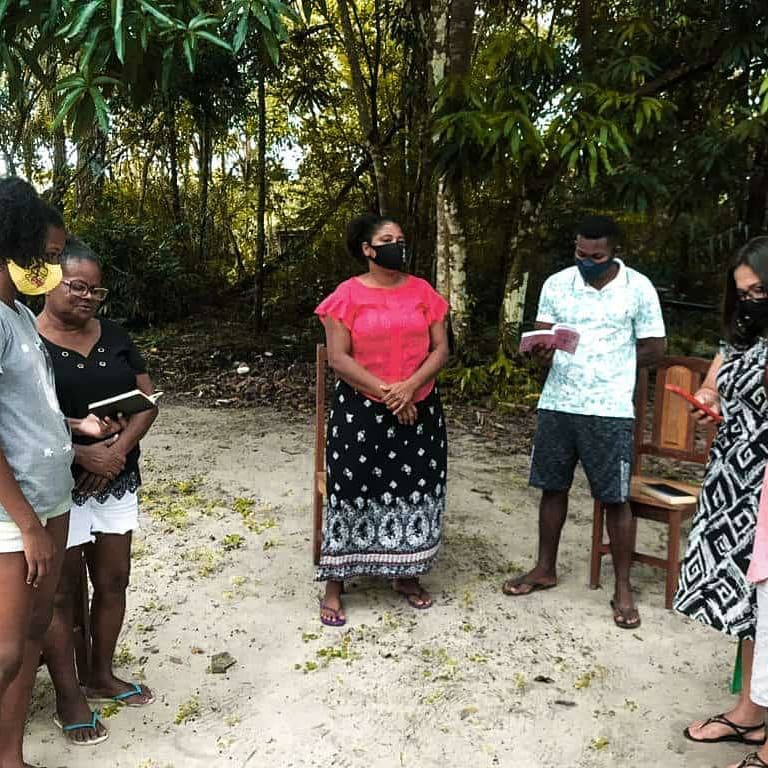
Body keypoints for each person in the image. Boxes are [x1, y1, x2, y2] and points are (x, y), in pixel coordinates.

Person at [0, 177, 119, 768]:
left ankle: (11, 755)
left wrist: (74, 429)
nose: (50, 267)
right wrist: (25, 523)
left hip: (50, 499)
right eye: (46, 256)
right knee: (5, 648)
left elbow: (28, 411)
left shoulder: (17, 315)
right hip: (13, 512)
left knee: (28, 637)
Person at [502, 215, 666, 629]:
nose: (587, 261)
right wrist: (541, 350)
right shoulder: (557, 283)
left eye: (596, 256)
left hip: (609, 408)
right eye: (580, 253)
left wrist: (612, 360)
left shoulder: (638, 288)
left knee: (614, 497)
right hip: (558, 402)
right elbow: (544, 333)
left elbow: (655, 346)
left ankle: (623, 588)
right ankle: (544, 568)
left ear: (613, 253)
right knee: (552, 487)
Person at [37, 236, 157, 745]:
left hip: (114, 477)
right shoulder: (27, 337)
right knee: (61, 594)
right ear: (49, 283)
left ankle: (100, 673)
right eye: (76, 287)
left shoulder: (115, 334)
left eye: (96, 291)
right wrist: (80, 452)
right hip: (58, 482)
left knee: (114, 579)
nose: (87, 298)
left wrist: (115, 453)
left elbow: (146, 401)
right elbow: (23, 419)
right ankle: (69, 697)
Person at [315, 213, 449, 626]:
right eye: (388, 239)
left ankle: (406, 575)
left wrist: (409, 388)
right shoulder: (345, 296)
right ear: (367, 249)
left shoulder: (425, 292)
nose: (398, 244)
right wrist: (390, 393)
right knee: (351, 487)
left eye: (401, 238)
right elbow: (339, 358)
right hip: (361, 410)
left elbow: (441, 349)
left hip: (419, 406)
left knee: (416, 485)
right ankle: (335, 585)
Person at [675, 237, 768, 757]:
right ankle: (750, 715)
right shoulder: (742, 335)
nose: (751, 300)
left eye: (760, 291)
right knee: (747, 601)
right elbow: (716, 380)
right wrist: (707, 399)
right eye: (743, 293)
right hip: (736, 481)